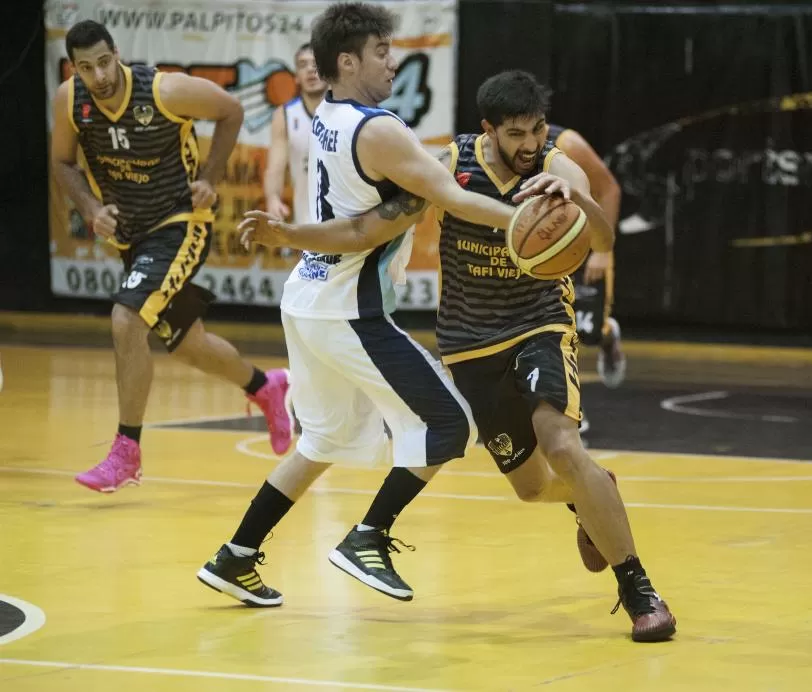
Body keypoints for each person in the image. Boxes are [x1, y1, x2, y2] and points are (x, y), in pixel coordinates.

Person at [237, 68, 677, 643]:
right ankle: (596, 495)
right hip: (470, 343)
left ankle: (638, 589)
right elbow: (366, 229)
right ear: (488, 130)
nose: (529, 145)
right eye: (516, 134)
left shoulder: (556, 167)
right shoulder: (447, 167)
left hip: (539, 324)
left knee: (562, 442)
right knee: (534, 487)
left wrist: (580, 205)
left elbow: (603, 239)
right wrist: (288, 234)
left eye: (537, 131)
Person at [196, 2, 526, 608]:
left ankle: (235, 555)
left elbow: (384, 209)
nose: (391, 61)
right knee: (450, 423)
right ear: (347, 61)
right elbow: (440, 199)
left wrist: (305, 234)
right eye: (380, 51)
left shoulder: (328, 114)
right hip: (349, 310)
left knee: (321, 440)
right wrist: (524, 220)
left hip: (308, 299)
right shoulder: (377, 130)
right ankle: (367, 537)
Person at [50, 20, 292, 493]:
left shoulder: (164, 91)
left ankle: (127, 452)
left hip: (180, 224)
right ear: (75, 68)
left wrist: (211, 176)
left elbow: (231, 110)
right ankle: (265, 386)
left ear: (115, 53)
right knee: (188, 344)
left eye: (104, 62)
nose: (98, 76)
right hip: (132, 237)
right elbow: (62, 162)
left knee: (126, 319)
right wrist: (91, 208)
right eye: (86, 67)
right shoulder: (70, 100)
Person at [546, 123, 627, 398]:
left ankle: (606, 335)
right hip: (542, 246)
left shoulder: (566, 144)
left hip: (583, 242)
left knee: (585, 332)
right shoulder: (499, 149)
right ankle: (564, 408)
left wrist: (602, 251)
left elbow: (610, 190)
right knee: (552, 331)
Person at [263, 43, 327, 225]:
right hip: (307, 222)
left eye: (316, 64)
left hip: (348, 223)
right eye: (303, 65)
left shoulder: (347, 111)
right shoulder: (285, 115)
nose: (310, 70)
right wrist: (273, 198)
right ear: (296, 77)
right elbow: (275, 168)